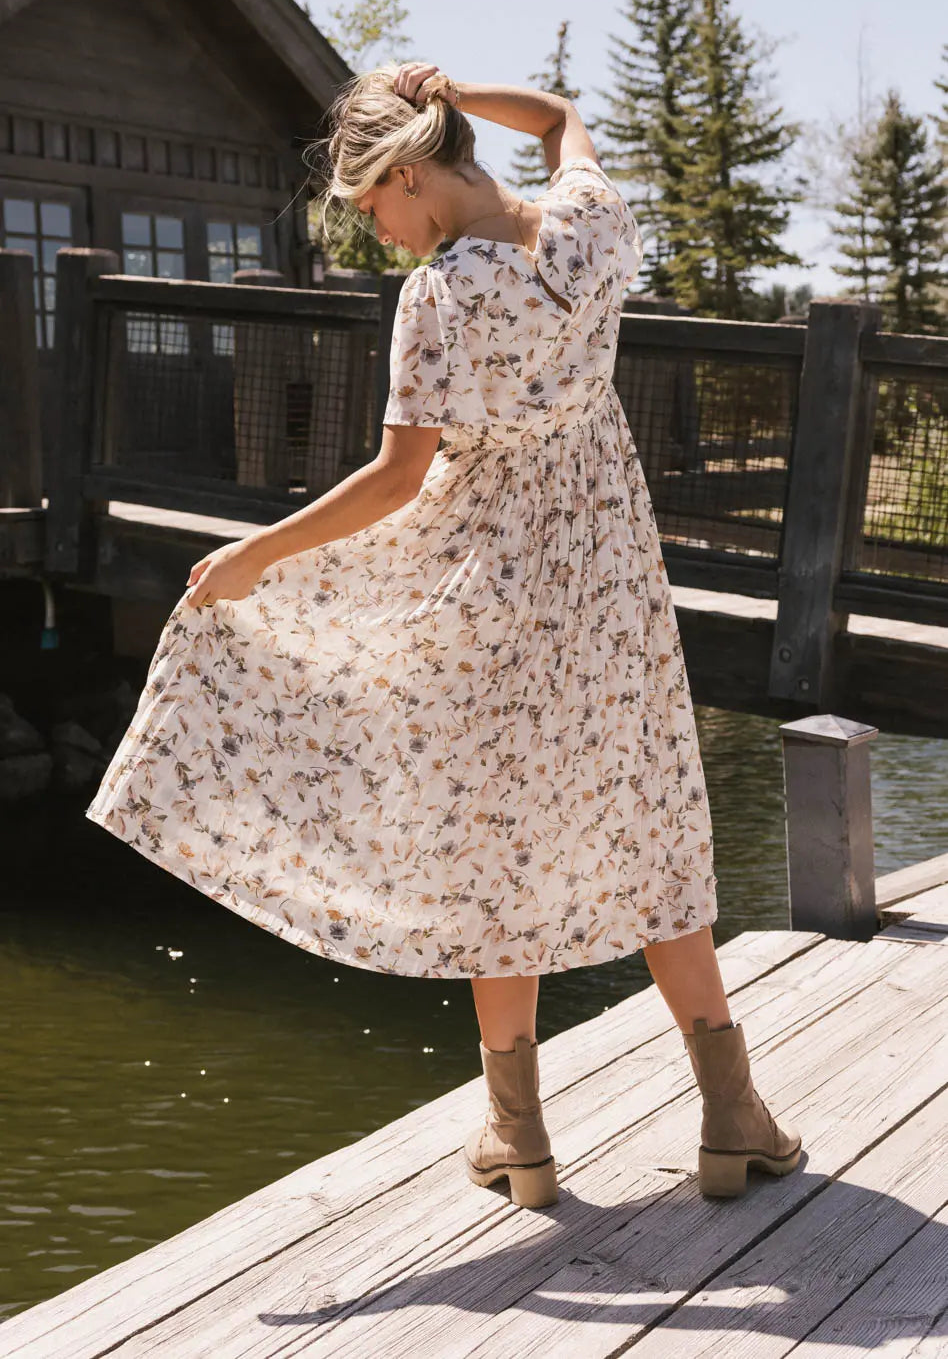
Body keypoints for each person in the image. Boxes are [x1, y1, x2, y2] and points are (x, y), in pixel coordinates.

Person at [86, 61, 801, 1210]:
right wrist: (460, 82)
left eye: (378, 208)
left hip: (491, 597)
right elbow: (566, 119)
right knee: (655, 823)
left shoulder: (443, 296)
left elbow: (396, 476)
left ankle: (518, 1136)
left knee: (492, 839)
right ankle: (732, 1111)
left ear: (412, 174)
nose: (385, 234)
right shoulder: (589, 223)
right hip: (612, 587)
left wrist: (258, 555)